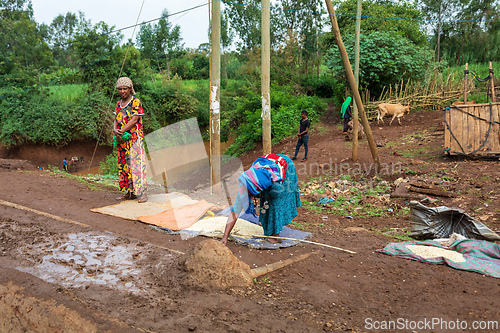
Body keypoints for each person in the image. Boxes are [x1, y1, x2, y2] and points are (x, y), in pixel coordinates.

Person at [221, 154, 301, 245]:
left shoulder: (275, 186)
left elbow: (277, 203)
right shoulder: (245, 183)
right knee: (265, 202)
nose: (249, 196)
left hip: (285, 166)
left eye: (251, 194)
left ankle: (275, 236)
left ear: (258, 189)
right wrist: (225, 236)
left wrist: (274, 231)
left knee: (274, 203)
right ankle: (268, 225)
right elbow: (235, 211)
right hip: (266, 167)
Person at [114, 77, 148, 203]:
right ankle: (130, 192)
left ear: (130, 89)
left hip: (134, 139)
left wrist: (121, 130)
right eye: (120, 89)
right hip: (122, 139)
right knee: (125, 165)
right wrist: (115, 130)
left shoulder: (135, 102)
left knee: (137, 164)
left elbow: (134, 120)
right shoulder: (118, 104)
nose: (122, 91)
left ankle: (143, 193)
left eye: (125, 89)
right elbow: (115, 118)